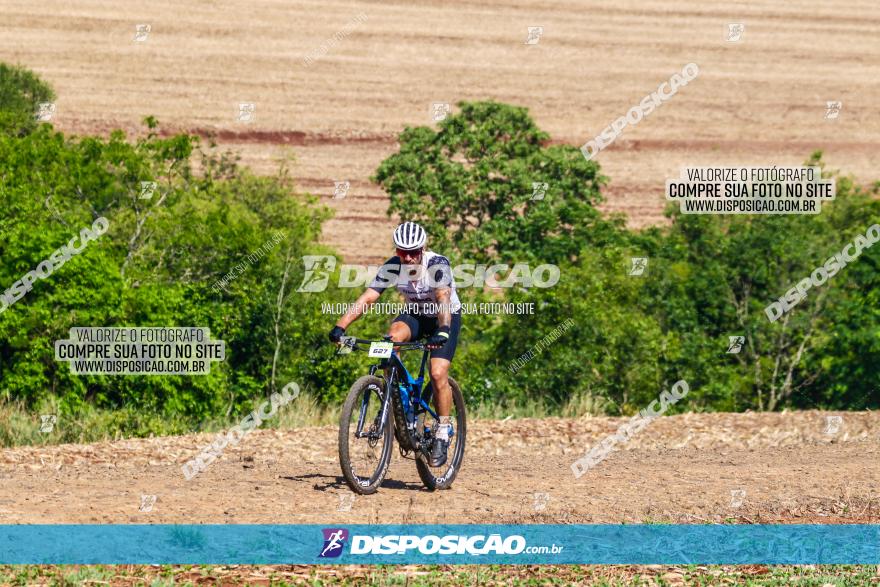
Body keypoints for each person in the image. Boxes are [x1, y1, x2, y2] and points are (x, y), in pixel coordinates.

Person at [329, 221, 461, 466]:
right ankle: (397, 400)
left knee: (437, 372)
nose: (408, 258)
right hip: (416, 315)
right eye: (402, 252)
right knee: (390, 341)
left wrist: (442, 330)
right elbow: (369, 297)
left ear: (423, 248)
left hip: (444, 317)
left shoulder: (437, 264)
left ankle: (443, 430)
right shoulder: (393, 265)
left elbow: (442, 297)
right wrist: (341, 326)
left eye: (413, 252)